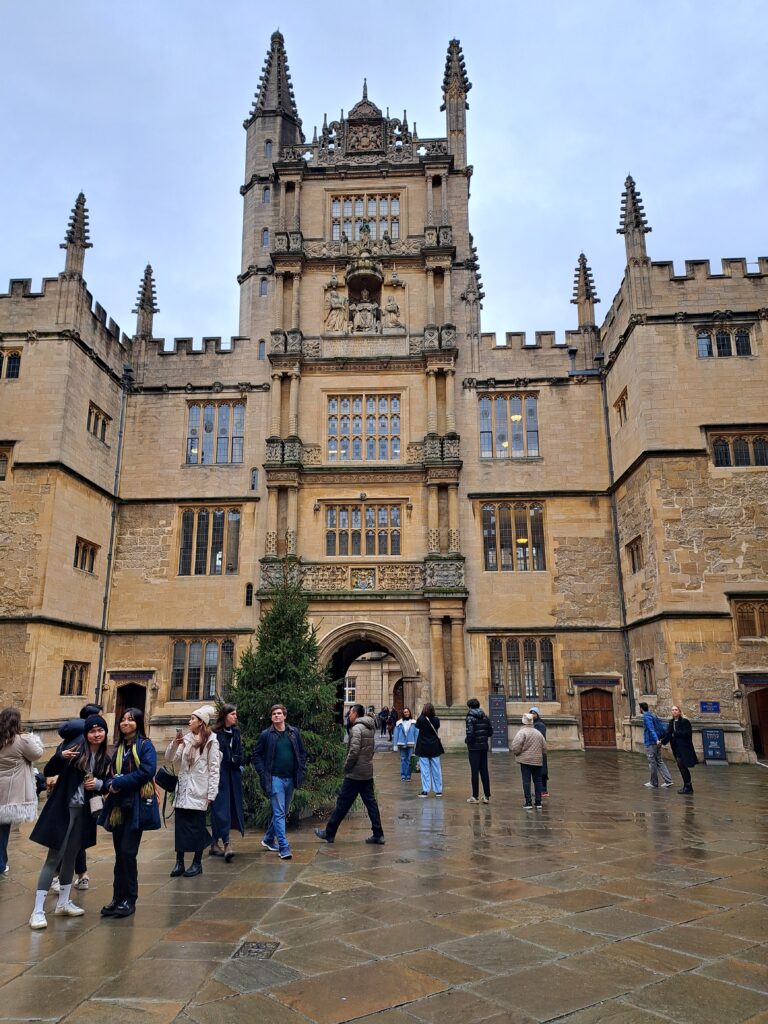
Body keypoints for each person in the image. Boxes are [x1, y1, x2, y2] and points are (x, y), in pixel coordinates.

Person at [28, 714, 110, 929]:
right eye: (92, 731)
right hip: (64, 810)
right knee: (54, 857)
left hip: (84, 813)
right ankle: (37, 910)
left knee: (72, 855)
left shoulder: (103, 757)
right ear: (86, 733)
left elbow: (108, 780)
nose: (96, 734)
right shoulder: (75, 750)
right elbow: (49, 771)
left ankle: (63, 903)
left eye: (100, 731)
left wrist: (99, 784)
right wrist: (59, 757)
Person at [100, 706, 160, 918]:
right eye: (123, 719)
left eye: (131, 720)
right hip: (118, 806)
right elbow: (108, 772)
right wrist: (110, 784)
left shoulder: (145, 746)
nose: (126, 723)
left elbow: (147, 771)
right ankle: (118, 897)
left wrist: (120, 783)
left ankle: (130, 898)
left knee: (127, 852)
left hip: (135, 805)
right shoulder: (118, 748)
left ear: (139, 723)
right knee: (119, 854)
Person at [50, 701, 104, 893]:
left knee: (75, 839)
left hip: (77, 798)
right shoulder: (82, 740)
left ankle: (79, 876)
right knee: (67, 840)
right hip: (73, 799)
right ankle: (57, 877)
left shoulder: (72, 736)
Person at [315, 704, 384, 845]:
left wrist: (346, 767)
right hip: (366, 771)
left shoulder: (357, 728)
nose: (348, 715)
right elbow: (371, 750)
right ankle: (378, 834)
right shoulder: (370, 727)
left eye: (350, 712)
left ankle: (329, 833)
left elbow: (353, 751)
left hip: (355, 773)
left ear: (355, 713)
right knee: (371, 803)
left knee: (342, 803)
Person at [166, 705, 221, 878]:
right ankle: (179, 862)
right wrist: (175, 744)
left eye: (192, 719)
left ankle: (197, 863)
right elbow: (170, 759)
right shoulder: (186, 739)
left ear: (201, 722)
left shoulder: (211, 740)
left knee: (197, 827)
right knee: (181, 827)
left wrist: (212, 793)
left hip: (199, 789)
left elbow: (214, 769)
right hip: (183, 789)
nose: (189, 721)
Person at [252, 704, 307, 861]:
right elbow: (256, 755)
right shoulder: (266, 735)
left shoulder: (293, 732)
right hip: (274, 779)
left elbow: (302, 753)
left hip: (291, 778)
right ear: (271, 717)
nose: (276, 716)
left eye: (279, 713)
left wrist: (301, 769)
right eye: (274, 714)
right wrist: (263, 774)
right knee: (279, 812)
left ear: (284, 716)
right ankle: (283, 847)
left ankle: (269, 839)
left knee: (282, 812)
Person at [0, 708, 44, 877]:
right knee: (3, 831)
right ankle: (1, 864)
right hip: (9, 793)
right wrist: (32, 738)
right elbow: (37, 754)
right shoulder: (21, 740)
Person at [210, 704, 245, 862]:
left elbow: (239, 752)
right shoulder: (215, 733)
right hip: (220, 776)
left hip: (233, 776)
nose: (235, 717)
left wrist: (236, 760)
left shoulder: (236, 732)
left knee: (229, 808)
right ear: (225, 716)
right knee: (220, 809)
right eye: (233, 714)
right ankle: (226, 844)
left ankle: (213, 843)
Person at [512, 713, 547, 809]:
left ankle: (528, 802)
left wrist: (518, 753)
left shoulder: (522, 732)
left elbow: (515, 746)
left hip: (525, 761)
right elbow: (544, 747)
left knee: (526, 781)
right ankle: (538, 802)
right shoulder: (538, 733)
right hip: (537, 760)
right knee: (538, 781)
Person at [660, 705, 698, 794]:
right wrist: (661, 742)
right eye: (673, 710)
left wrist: (675, 733)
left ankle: (688, 786)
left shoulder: (685, 722)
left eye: (676, 710)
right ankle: (687, 786)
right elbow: (668, 734)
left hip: (684, 748)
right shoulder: (671, 722)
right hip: (676, 748)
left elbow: (687, 733)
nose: (674, 711)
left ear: (679, 712)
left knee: (682, 766)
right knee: (681, 767)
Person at [465, 698, 493, 804]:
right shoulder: (485, 717)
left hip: (473, 748)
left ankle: (474, 796)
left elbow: (470, 734)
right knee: (484, 771)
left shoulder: (470, 717)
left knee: (474, 772)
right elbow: (490, 732)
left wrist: (467, 741)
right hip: (483, 747)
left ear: (470, 707)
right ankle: (486, 796)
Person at [639, 702, 673, 789]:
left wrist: (656, 740)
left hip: (651, 742)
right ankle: (668, 780)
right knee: (659, 761)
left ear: (641, 709)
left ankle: (654, 782)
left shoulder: (646, 716)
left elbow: (651, 729)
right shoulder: (653, 714)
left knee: (652, 762)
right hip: (656, 741)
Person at [415, 703, 443, 797]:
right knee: (436, 769)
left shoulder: (421, 719)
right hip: (434, 746)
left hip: (423, 746)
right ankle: (438, 790)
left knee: (425, 770)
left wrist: (422, 713)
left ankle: (425, 790)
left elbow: (417, 726)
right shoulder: (436, 720)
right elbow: (437, 727)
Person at [392, 707, 418, 781]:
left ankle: (408, 776)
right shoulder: (399, 722)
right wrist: (395, 745)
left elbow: (416, 734)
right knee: (403, 760)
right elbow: (396, 734)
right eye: (405, 712)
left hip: (411, 743)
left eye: (407, 712)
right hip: (401, 743)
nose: (406, 713)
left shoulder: (414, 722)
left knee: (409, 760)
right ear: (403, 713)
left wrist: (416, 744)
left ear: (409, 713)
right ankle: (403, 775)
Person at [529, 706, 549, 797]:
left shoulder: (539, 724)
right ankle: (540, 790)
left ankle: (543, 790)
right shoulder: (534, 724)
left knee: (542, 770)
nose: (532, 715)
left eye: (534, 713)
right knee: (538, 770)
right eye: (531, 713)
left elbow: (539, 737)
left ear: (537, 714)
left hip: (540, 750)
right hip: (536, 750)